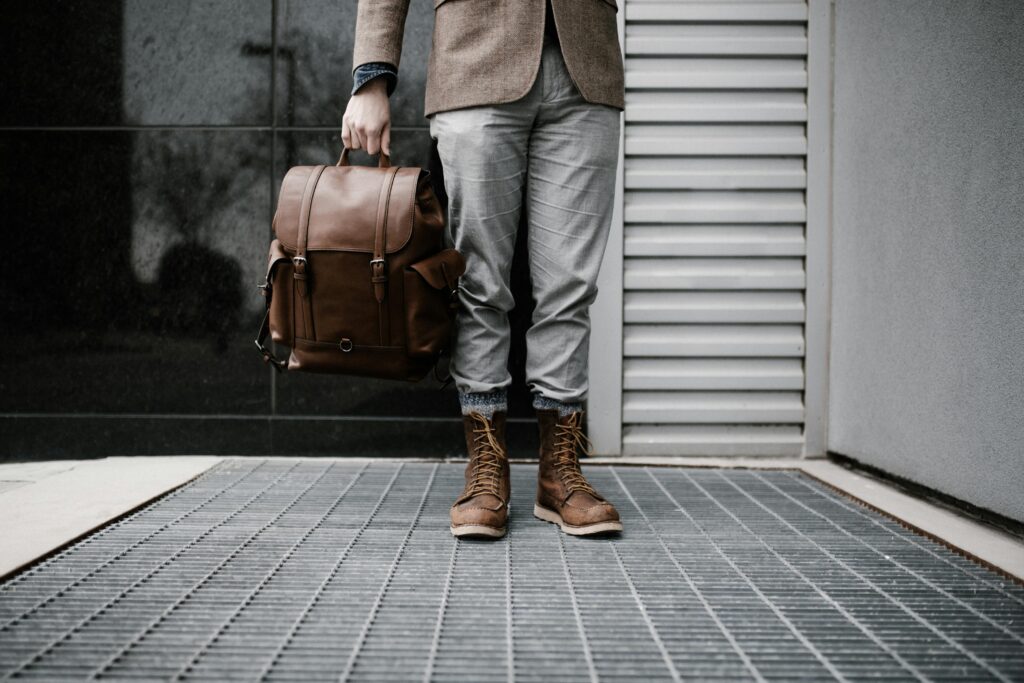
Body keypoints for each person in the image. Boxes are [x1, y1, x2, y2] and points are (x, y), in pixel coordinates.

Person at [343, 0, 624, 538]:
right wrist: (372, 78)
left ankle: (559, 472)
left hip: (586, 64)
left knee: (571, 286)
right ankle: (486, 465)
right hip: (475, 63)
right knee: (477, 282)